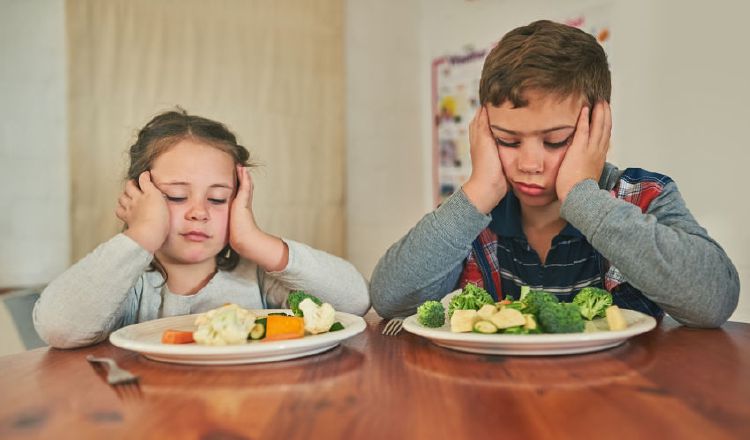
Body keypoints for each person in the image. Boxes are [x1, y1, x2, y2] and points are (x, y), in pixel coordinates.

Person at [369, 20, 739, 327]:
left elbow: (714, 300)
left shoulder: (642, 195)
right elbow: (390, 299)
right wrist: (477, 193)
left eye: (556, 140)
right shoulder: (473, 215)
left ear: (599, 128)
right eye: (507, 140)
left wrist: (582, 195)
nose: (530, 164)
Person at [34, 109, 370, 348]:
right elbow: (58, 327)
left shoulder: (258, 277)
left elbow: (354, 301)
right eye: (177, 196)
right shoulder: (126, 287)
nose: (199, 212)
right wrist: (140, 236)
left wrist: (255, 241)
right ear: (137, 196)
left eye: (219, 199)